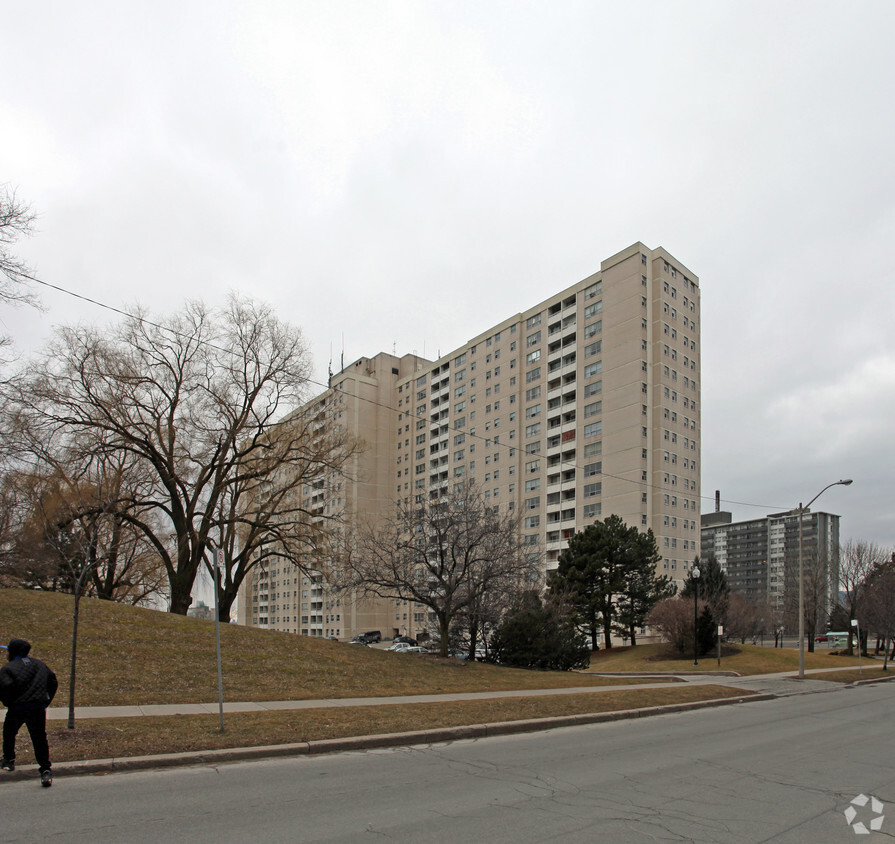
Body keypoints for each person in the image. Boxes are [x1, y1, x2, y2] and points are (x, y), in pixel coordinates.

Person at [0, 639, 58, 787]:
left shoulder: (8, 669)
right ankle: (45, 769)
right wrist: (46, 701)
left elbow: (5, 688)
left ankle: (9, 760)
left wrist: (9, 702)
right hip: (37, 708)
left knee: (9, 732)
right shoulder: (40, 665)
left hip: (17, 709)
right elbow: (53, 682)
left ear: (12, 652)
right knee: (39, 738)